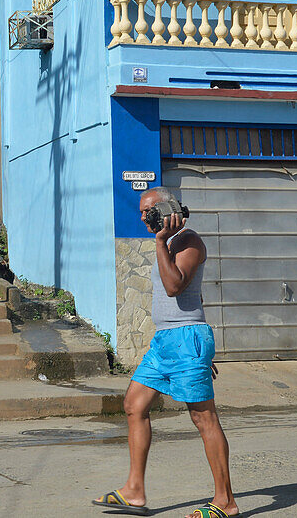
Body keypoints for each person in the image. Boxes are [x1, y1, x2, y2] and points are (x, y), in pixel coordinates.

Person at [92, 187, 238, 518]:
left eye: (149, 211)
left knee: (203, 418)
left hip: (186, 340)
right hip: (165, 342)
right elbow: (193, 297)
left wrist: (160, 242)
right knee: (134, 405)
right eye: (142, 212)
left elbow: (175, 286)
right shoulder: (172, 244)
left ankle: (225, 502)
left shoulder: (188, 242)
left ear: (167, 209)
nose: (143, 217)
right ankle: (134, 491)